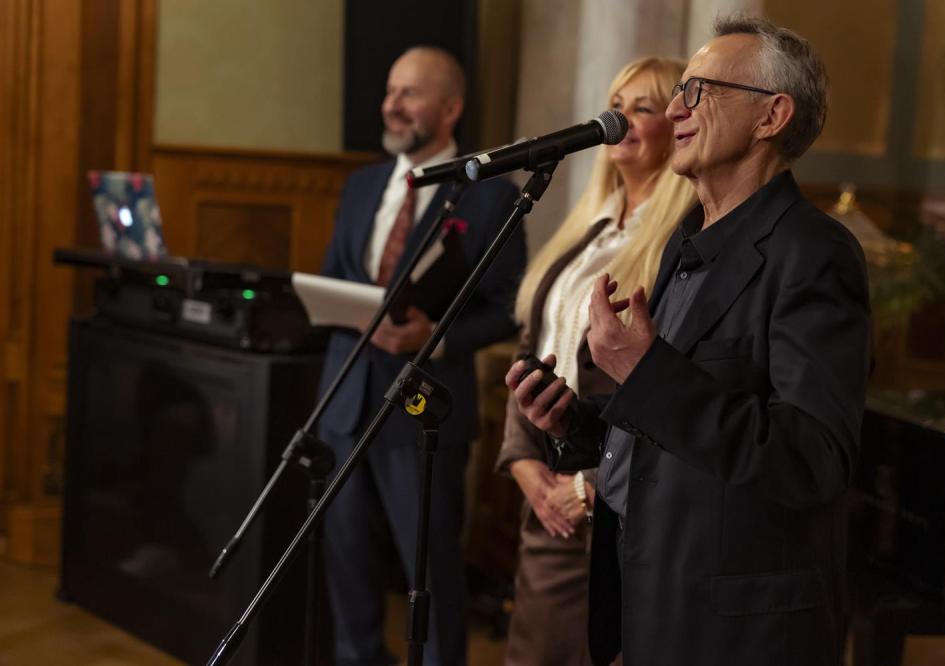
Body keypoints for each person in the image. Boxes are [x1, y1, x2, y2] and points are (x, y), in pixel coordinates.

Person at [507, 15, 870, 666]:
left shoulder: (813, 253)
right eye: (680, 92)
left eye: (699, 90)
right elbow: (673, 426)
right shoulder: (685, 242)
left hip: (739, 628)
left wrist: (644, 372)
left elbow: (812, 458)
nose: (677, 108)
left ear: (771, 116)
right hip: (655, 601)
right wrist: (578, 424)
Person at [317, 46, 526, 666]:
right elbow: (335, 277)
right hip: (344, 404)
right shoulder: (360, 186)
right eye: (390, 91)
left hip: (421, 416)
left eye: (409, 93)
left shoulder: (491, 197)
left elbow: (510, 308)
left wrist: (435, 335)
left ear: (450, 108)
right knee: (346, 563)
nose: (392, 105)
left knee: (429, 575)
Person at [494, 56, 696, 666]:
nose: (622, 119)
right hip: (546, 484)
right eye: (616, 105)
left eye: (643, 107)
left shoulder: (679, 241)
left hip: (614, 500)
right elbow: (533, 347)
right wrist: (523, 463)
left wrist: (589, 486)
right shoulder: (592, 229)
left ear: (678, 125)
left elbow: (664, 385)